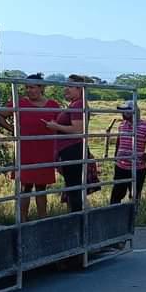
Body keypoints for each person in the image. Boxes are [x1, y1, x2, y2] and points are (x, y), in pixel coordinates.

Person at [0, 73, 59, 220]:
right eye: (27, 87)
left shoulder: (53, 105)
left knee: (41, 187)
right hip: (25, 150)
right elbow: (0, 115)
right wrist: (13, 129)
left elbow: (60, 125)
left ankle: (42, 219)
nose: (29, 90)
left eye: (32, 87)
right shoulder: (19, 103)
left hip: (45, 150)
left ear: (41, 87)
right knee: (25, 186)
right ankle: (22, 220)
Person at [45, 75, 90, 212]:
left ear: (80, 89)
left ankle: (77, 218)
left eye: (70, 86)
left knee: (74, 187)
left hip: (73, 150)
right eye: (66, 86)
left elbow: (78, 129)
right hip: (70, 149)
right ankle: (78, 217)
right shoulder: (75, 104)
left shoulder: (78, 105)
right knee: (73, 186)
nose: (66, 89)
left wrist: (56, 127)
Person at [110, 100, 146, 204]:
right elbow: (119, 139)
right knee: (116, 194)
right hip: (121, 166)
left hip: (137, 167)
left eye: (125, 112)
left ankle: (133, 216)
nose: (123, 114)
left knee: (134, 195)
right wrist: (116, 154)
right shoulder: (122, 125)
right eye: (123, 112)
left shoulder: (145, 126)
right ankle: (114, 215)